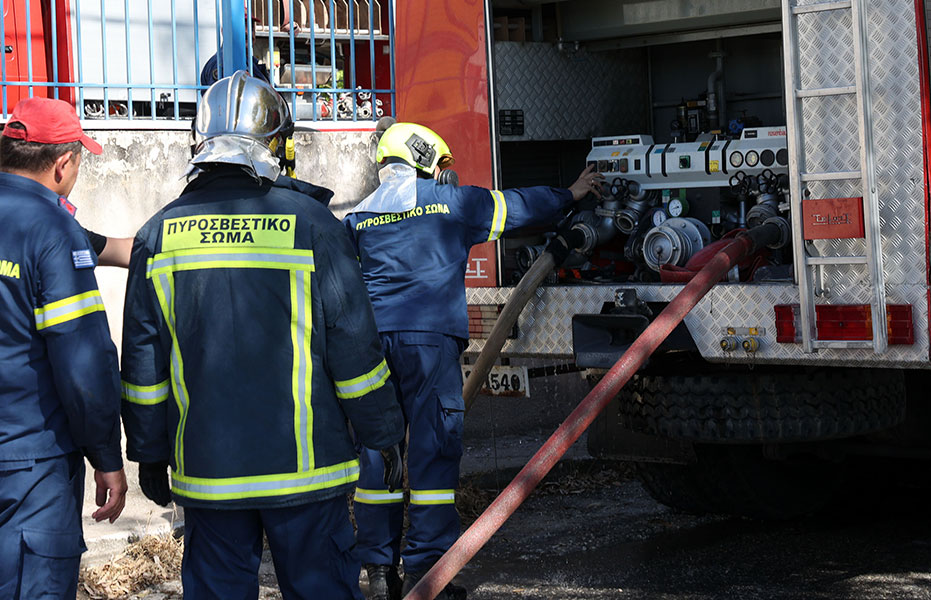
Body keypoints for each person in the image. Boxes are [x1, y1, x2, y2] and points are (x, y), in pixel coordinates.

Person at [120, 70, 405, 600]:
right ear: (277, 145)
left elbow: (143, 366)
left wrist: (149, 451)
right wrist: (383, 433)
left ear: (197, 142)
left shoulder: (157, 236)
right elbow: (354, 352)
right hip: (307, 474)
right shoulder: (314, 226)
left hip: (208, 474)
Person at [343, 122, 602, 600]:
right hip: (429, 344)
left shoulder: (358, 215)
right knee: (433, 452)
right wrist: (570, 193)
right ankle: (428, 573)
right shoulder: (454, 205)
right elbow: (519, 207)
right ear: (426, 159)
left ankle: (378, 573)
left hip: (370, 347)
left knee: (378, 455)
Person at [0, 97, 127, 599]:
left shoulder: (52, 228)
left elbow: (112, 246)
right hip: (32, 465)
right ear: (63, 163)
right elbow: (83, 362)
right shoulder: (52, 231)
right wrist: (107, 455)